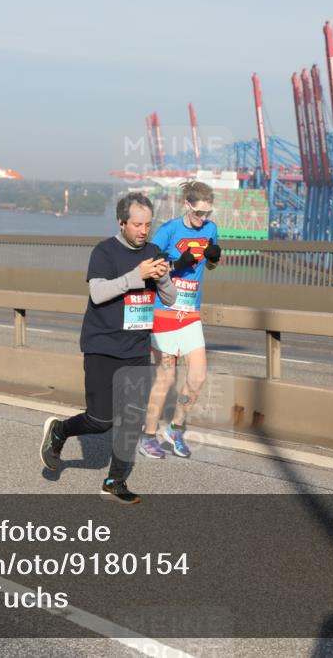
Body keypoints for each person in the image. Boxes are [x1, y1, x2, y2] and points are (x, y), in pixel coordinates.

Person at [40, 192, 176, 504]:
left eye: (148, 225)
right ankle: (60, 430)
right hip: (102, 346)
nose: (144, 231)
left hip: (137, 349)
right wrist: (136, 275)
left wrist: (165, 277)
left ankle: (115, 482)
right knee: (101, 421)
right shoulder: (105, 251)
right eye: (137, 225)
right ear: (122, 222)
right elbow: (99, 293)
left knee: (132, 419)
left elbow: (169, 299)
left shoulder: (155, 251)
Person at [140, 181, 221, 458]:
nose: (204, 219)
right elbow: (148, 266)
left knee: (197, 378)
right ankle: (148, 435)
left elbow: (208, 264)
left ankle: (175, 428)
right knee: (167, 376)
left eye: (208, 214)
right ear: (187, 205)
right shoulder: (169, 230)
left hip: (190, 314)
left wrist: (213, 258)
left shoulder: (210, 229)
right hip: (163, 312)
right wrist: (176, 265)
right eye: (199, 213)